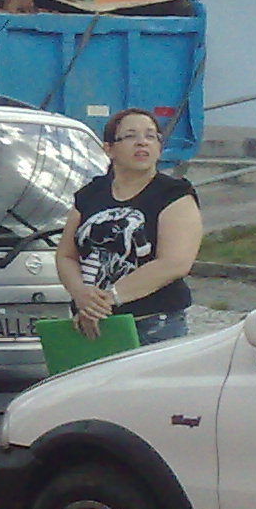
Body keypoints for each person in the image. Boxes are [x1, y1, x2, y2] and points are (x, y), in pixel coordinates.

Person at [57, 106, 203, 345]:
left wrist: (107, 299)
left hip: (153, 324)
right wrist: (80, 294)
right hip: (92, 323)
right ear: (109, 149)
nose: (141, 143)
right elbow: (66, 255)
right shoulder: (90, 194)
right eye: (130, 136)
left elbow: (175, 263)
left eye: (150, 136)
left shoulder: (175, 194)